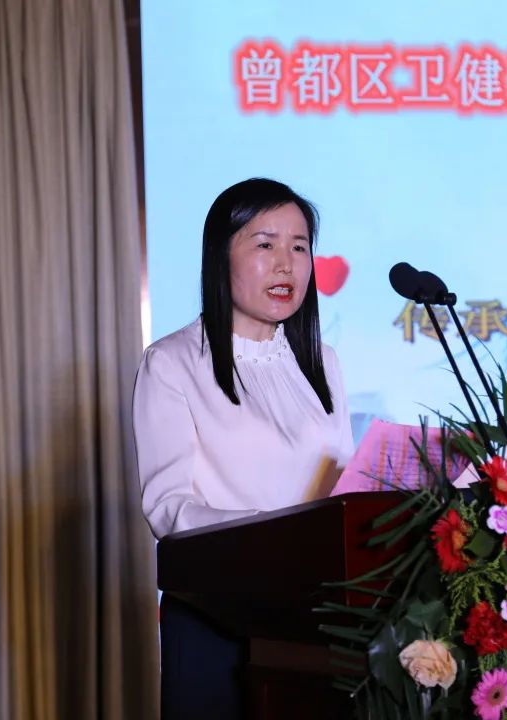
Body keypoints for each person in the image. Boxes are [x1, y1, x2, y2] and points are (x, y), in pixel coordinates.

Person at [132, 177, 354, 719]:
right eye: (265, 244)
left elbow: (341, 486)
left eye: (299, 247)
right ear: (220, 257)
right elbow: (168, 507)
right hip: (217, 614)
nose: (286, 265)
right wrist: (273, 537)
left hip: (318, 615)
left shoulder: (322, 362)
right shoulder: (172, 363)